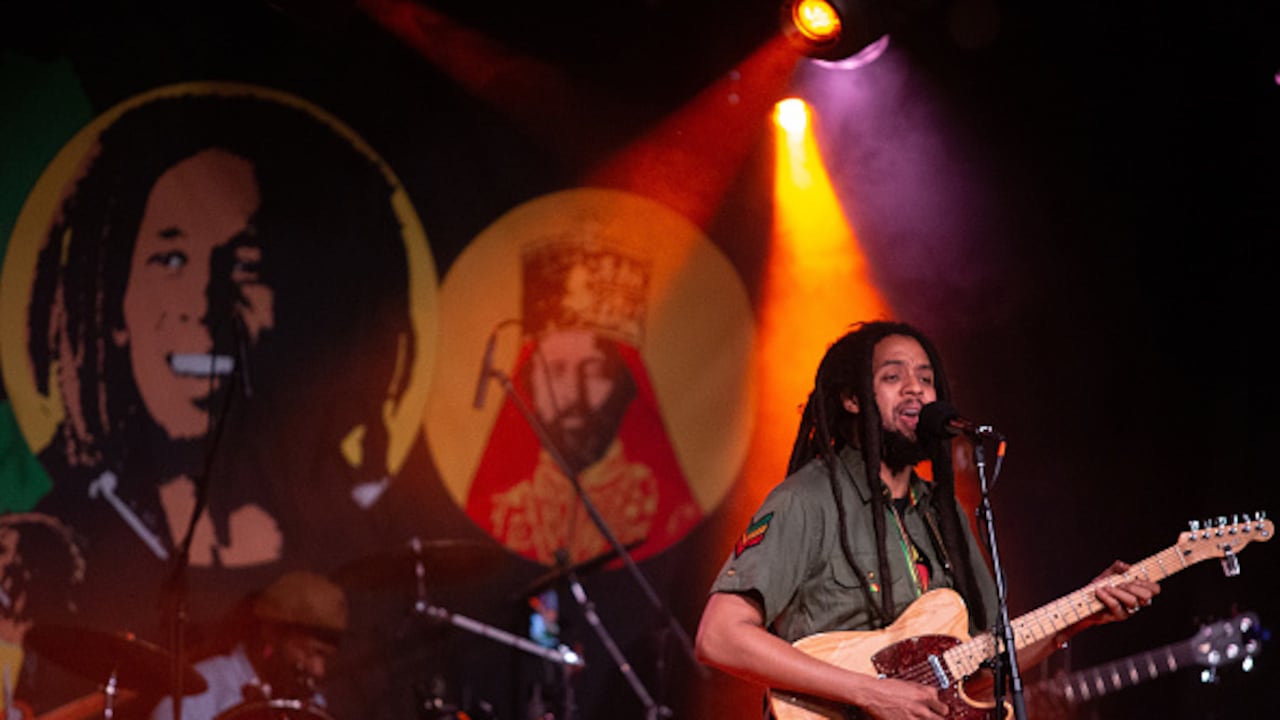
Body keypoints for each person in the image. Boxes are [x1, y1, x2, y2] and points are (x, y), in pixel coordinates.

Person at [22, 87, 418, 575]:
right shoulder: (56, 548)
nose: (202, 305)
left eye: (246, 265)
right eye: (170, 260)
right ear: (115, 310)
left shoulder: (363, 546)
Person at [694, 320, 1160, 719]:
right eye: (893, 377)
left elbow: (982, 669)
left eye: (926, 378)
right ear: (853, 400)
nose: (916, 388)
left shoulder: (944, 514)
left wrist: (1080, 616)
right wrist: (871, 693)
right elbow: (719, 636)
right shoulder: (807, 500)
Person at [465, 239, 702, 566]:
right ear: (530, 384)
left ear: (624, 387)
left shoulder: (670, 513)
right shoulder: (497, 514)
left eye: (594, 372)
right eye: (556, 371)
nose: (574, 393)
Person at [149, 570, 347, 720]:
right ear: (272, 633)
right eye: (312, 653)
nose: (319, 670)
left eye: (326, 657)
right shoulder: (201, 691)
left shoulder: (310, 702)